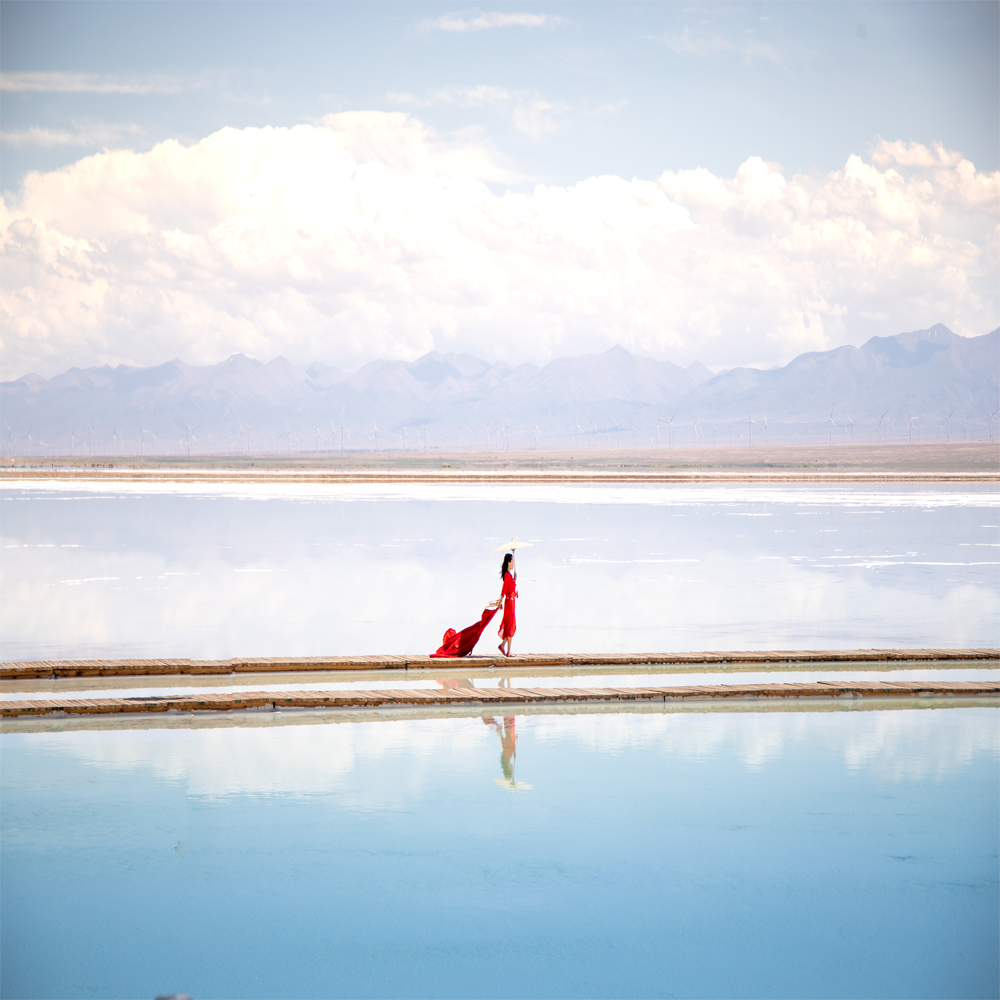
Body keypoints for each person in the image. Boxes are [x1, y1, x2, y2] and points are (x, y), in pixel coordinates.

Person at [497, 550, 518, 657]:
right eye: (512, 561)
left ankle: (503, 645)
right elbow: (504, 589)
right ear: (508, 562)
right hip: (509, 602)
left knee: (511, 624)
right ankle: (509, 650)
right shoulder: (506, 575)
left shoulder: (509, 575)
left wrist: (514, 579)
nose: (513, 563)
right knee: (510, 624)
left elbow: (511, 587)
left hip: (511, 601)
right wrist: (500, 602)